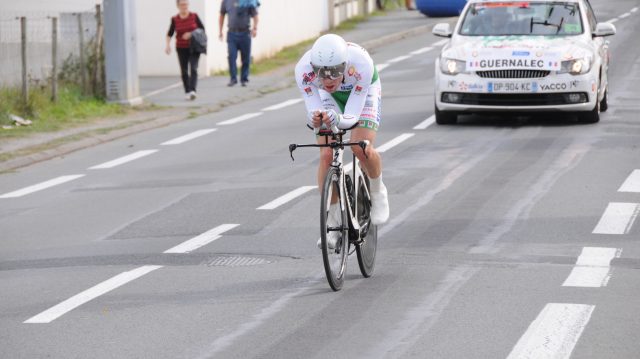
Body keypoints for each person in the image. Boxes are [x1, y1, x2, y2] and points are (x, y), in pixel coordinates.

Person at [294, 34, 390, 249]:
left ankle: (377, 191)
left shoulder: (361, 63)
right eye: (322, 73)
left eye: (336, 72)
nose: (328, 79)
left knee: (359, 146)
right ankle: (333, 220)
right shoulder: (303, 70)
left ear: (345, 65)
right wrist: (315, 118)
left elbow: (353, 116)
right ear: (313, 67)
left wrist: (338, 119)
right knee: (327, 153)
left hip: (362, 94)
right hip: (329, 99)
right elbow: (314, 110)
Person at [166, 0, 205, 101]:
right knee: (184, 71)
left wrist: (191, 34)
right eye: (182, 4)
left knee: (193, 68)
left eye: (186, 4)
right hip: (181, 47)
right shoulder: (175, 19)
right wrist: (167, 45)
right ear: (178, 6)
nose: (185, 6)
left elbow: (202, 29)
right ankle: (187, 91)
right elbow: (170, 33)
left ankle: (193, 90)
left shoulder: (194, 16)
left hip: (194, 47)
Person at [219, 0, 259, 87]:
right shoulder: (226, 2)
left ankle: (244, 79)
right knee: (231, 56)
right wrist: (220, 31)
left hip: (245, 33)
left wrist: (255, 28)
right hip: (232, 33)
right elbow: (222, 15)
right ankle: (233, 78)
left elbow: (255, 16)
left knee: (245, 57)